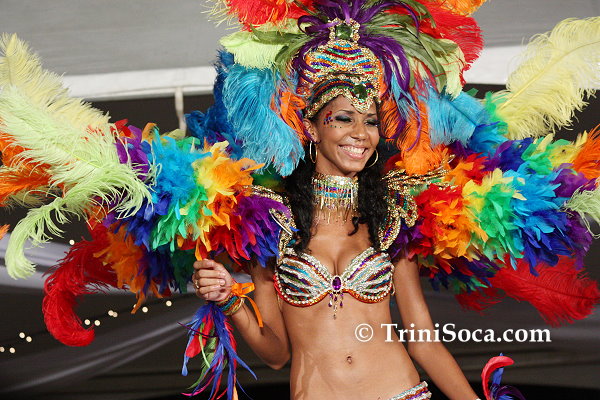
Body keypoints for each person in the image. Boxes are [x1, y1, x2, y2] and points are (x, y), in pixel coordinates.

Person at [193, 94, 481, 399]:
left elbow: (424, 342)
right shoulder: (271, 224)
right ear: (312, 129)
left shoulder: (390, 217)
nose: (361, 133)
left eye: (371, 122)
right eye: (344, 119)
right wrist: (229, 300)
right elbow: (276, 355)